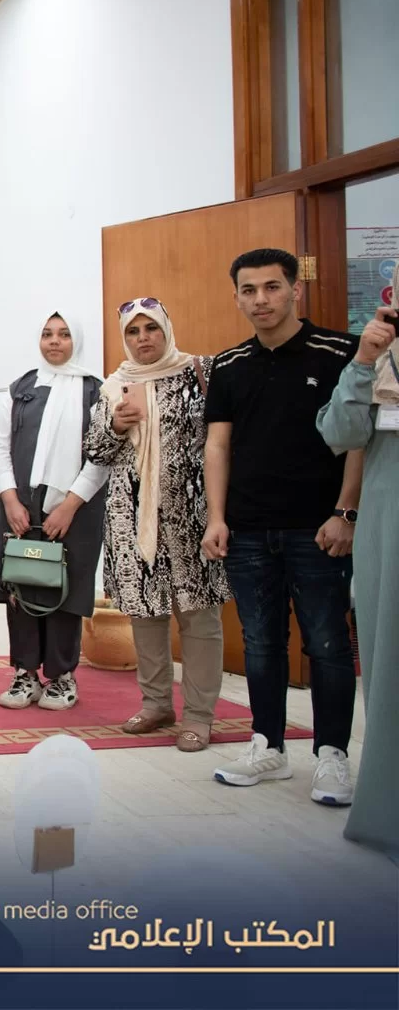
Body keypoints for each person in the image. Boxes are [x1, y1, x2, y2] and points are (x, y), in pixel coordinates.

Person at [205, 249, 361, 803]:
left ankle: (332, 756)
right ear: (237, 297)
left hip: (318, 529)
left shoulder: (341, 352)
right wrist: (217, 517)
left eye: (272, 287)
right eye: (249, 290)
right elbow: (218, 446)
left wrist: (345, 512)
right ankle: (268, 746)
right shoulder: (228, 365)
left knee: (327, 642)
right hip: (247, 529)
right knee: (261, 642)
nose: (261, 300)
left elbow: (358, 440)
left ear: (295, 289)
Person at [85, 298, 229, 753]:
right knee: (145, 614)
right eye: (133, 330)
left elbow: (224, 441)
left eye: (151, 328)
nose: (143, 337)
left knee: (199, 616)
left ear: (166, 329)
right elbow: (95, 451)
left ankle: (199, 715)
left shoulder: (201, 373)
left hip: (193, 515)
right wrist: (114, 425)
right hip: (130, 516)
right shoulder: (114, 386)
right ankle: (156, 705)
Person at [0, 313, 109, 711]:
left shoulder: (96, 392)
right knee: (20, 585)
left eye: (65, 334)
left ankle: (61, 676)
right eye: (48, 334)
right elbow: (0, 447)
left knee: (64, 589)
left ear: (78, 340)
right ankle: (25, 673)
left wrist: (70, 505)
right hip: (21, 506)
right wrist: (9, 499)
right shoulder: (20, 388)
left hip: (74, 510)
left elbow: (101, 456)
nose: (55, 341)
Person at [316, 307, 397, 852]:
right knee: (388, 664)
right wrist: (365, 358)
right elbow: (339, 432)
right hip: (388, 519)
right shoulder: (378, 357)